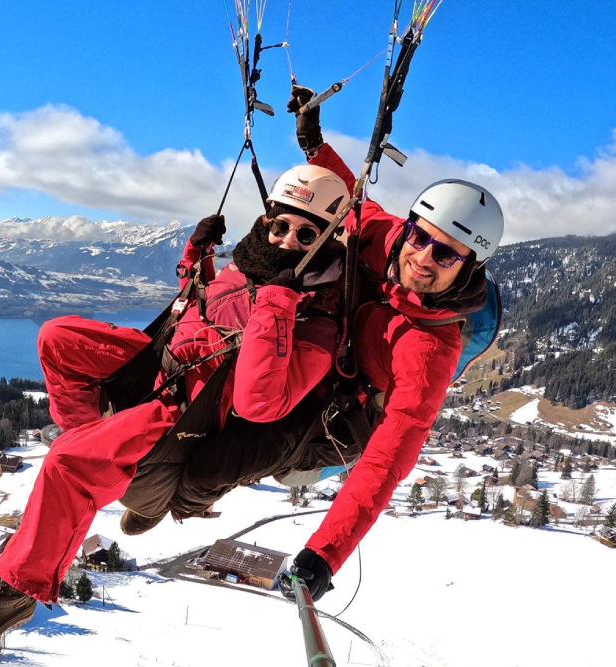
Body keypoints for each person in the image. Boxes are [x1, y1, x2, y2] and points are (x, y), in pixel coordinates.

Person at [125, 84, 506, 606]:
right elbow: (349, 196)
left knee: (216, 463)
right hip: (314, 357)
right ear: (409, 227)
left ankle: (180, 502)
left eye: (446, 255)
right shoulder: (385, 235)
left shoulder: (430, 350)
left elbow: (389, 459)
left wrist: (325, 554)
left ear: (470, 266)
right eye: (421, 237)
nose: (422, 257)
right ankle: (155, 485)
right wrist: (314, 143)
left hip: (338, 419)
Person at [0, 165, 352, 644]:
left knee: (66, 463)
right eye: (280, 225)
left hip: (184, 410)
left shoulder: (316, 319)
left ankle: (19, 589)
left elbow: (260, 401)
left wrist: (281, 301)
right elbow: (207, 304)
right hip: (160, 360)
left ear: (328, 240)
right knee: (57, 337)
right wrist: (196, 260)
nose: (286, 241)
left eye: (305, 234)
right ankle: (96, 444)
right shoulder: (252, 265)